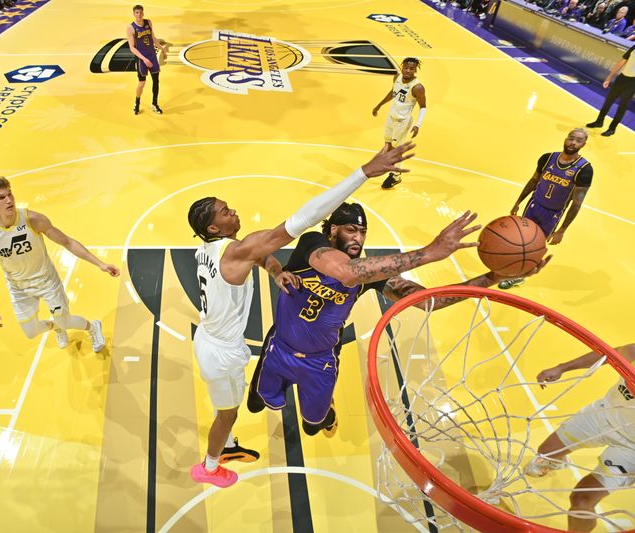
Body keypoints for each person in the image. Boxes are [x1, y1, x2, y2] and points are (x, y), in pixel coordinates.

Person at [187, 142, 416, 488]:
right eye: (224, 211)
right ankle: (211, 464)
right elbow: (301, 219)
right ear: (215, 228)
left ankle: (228, 443)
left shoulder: (213, 248)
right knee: (227, 412)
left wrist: (277, 270)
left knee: (237, 402)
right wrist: (363, 173)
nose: (232, 211)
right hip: (221, 351)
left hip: (212, 339)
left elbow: (260, 255)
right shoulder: (240, 250)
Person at [246, 203, 549, 437]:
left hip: (321, 359)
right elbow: (345, 271)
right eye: (351, 230)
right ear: (333, 230)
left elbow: (432, 302)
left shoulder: (372, 274)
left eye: (362, 232)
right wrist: (429, 253)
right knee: (254, 403)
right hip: (279, 345)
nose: (358, 237)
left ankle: (323, 411)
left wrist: (494, 276)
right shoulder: (313, 245)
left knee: (313, 426)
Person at [0, 177, 120, 351]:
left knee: (65, 319)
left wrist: (100, 264)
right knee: (31, 332)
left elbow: (67, 242)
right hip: (18, 287)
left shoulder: (32, 219)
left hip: (47, 281)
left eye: (9, 194)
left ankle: (93, 327)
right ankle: (57, 327)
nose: (9, 200)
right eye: (1, 197)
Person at [526, 343, 635, 533]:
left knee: (581, 500)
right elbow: (609, 355)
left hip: (631, 449)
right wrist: (562, 368)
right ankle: (557, 461)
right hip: (603, 413)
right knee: (546, 451)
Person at [501, 128, 592, 290]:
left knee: (536, 246)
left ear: (584, 144)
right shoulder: (548, 158)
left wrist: (562, 229)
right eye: (571, 138)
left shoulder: (584, 169)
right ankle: (512, 266)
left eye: (578, 140)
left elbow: (576, 203)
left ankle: (520, 276)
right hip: (534, 205)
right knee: (521, 239)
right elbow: (534, 180)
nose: (573, 143)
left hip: (553, 213)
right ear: (566, 138)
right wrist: (518, 201)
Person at [372, 57, 427, 190]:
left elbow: (423, 107)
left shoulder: (417, 87)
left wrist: (418, 125)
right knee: (388, 145)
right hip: (391, 117)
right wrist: (379, 105)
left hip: (403, 121)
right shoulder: (397, 77)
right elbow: (393, 93)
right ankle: (389, 167)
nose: (408, 71)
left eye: (411, 69)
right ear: (402, 67)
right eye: (406, 68)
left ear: (415, 70)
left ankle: (396, 175)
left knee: (396, 149)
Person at [586, 43, 635, 136]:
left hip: (633, 83)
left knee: (622, 105)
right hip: (622, 78)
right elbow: (622, 61)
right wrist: (609, 77)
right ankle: (599, 121)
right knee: (608, 100)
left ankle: (612, 128)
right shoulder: (634, 47)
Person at [126, 4, 166, 115]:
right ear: (134, 14)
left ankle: (154, 104)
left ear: (143, 13)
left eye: (140, 12)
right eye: (137, 13)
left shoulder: (148, 22)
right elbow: (132, 48)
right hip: (141, 58)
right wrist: (144, 59)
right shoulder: (131, 28)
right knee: (142, 83)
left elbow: (153, 37)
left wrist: (161, 48)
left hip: (152, 56)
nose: (139, 15)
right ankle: (137, 103)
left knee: (156, 81)